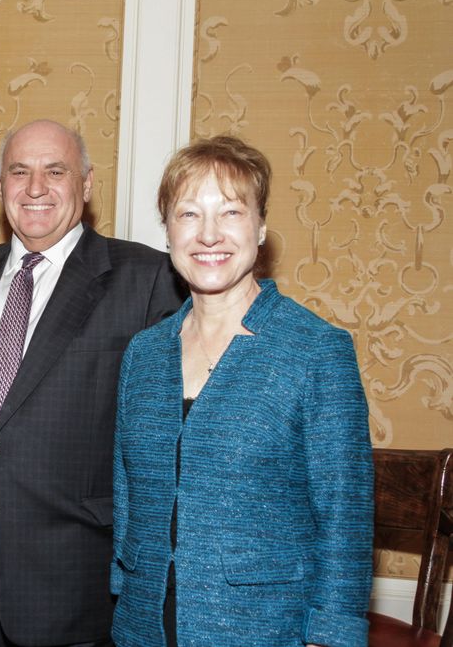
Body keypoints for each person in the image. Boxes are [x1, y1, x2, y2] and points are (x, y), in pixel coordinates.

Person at [111, 135, 374, 647]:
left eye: (230, 212)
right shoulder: (143, 354)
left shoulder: (316, 350)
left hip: (266, 628)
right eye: (188, 214)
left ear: (261, 227)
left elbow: (344, 517)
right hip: (142, 626)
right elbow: (129, 493)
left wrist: (332, 636)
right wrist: (124, 588)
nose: (209, 235)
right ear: (167, 232)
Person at [0, 119, 185, 647]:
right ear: (0, 183)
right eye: (19, 172)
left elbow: (173, 445)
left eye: (55, 171)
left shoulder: (148, 278)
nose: (35, 188)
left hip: (82, 582)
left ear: (87, 184)